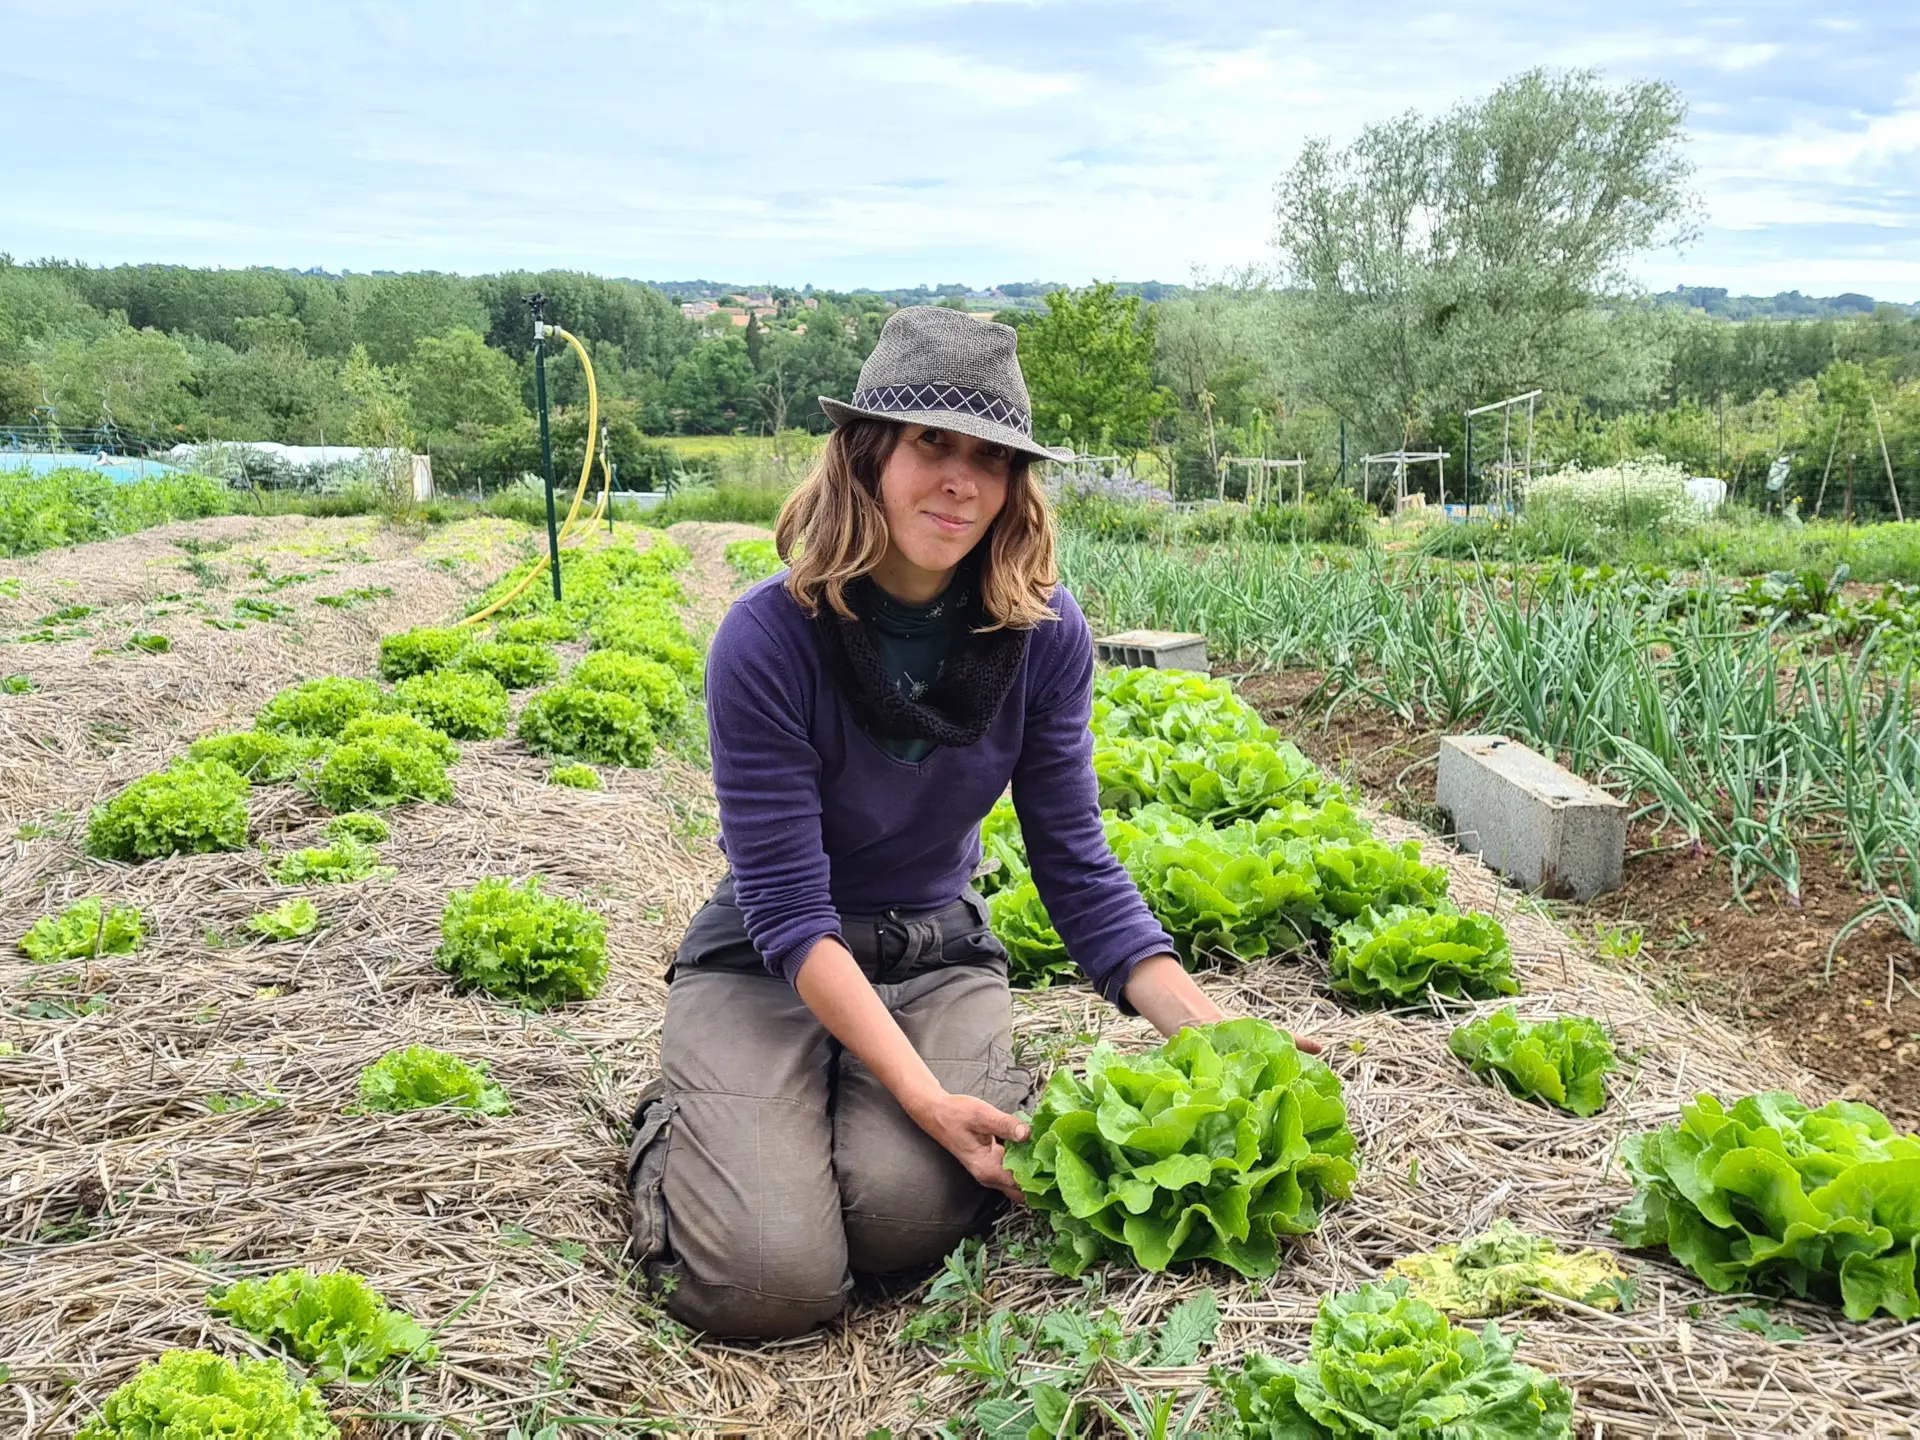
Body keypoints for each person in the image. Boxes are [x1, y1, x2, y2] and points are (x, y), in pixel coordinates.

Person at [625, 306, 1319, 1340]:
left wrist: (1227, 1039)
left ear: (1014, 484)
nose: (961, 480)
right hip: (774, 964)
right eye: (929, 444)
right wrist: (920, 1096)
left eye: (990, 458)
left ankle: (827, 1107)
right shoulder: (769, 638)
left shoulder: (1042, 633)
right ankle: (685, 1123)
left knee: (905, 1218)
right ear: (866, 455)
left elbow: (1076, 865)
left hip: (931, 951)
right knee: (769, 1283)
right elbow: (787, 911)